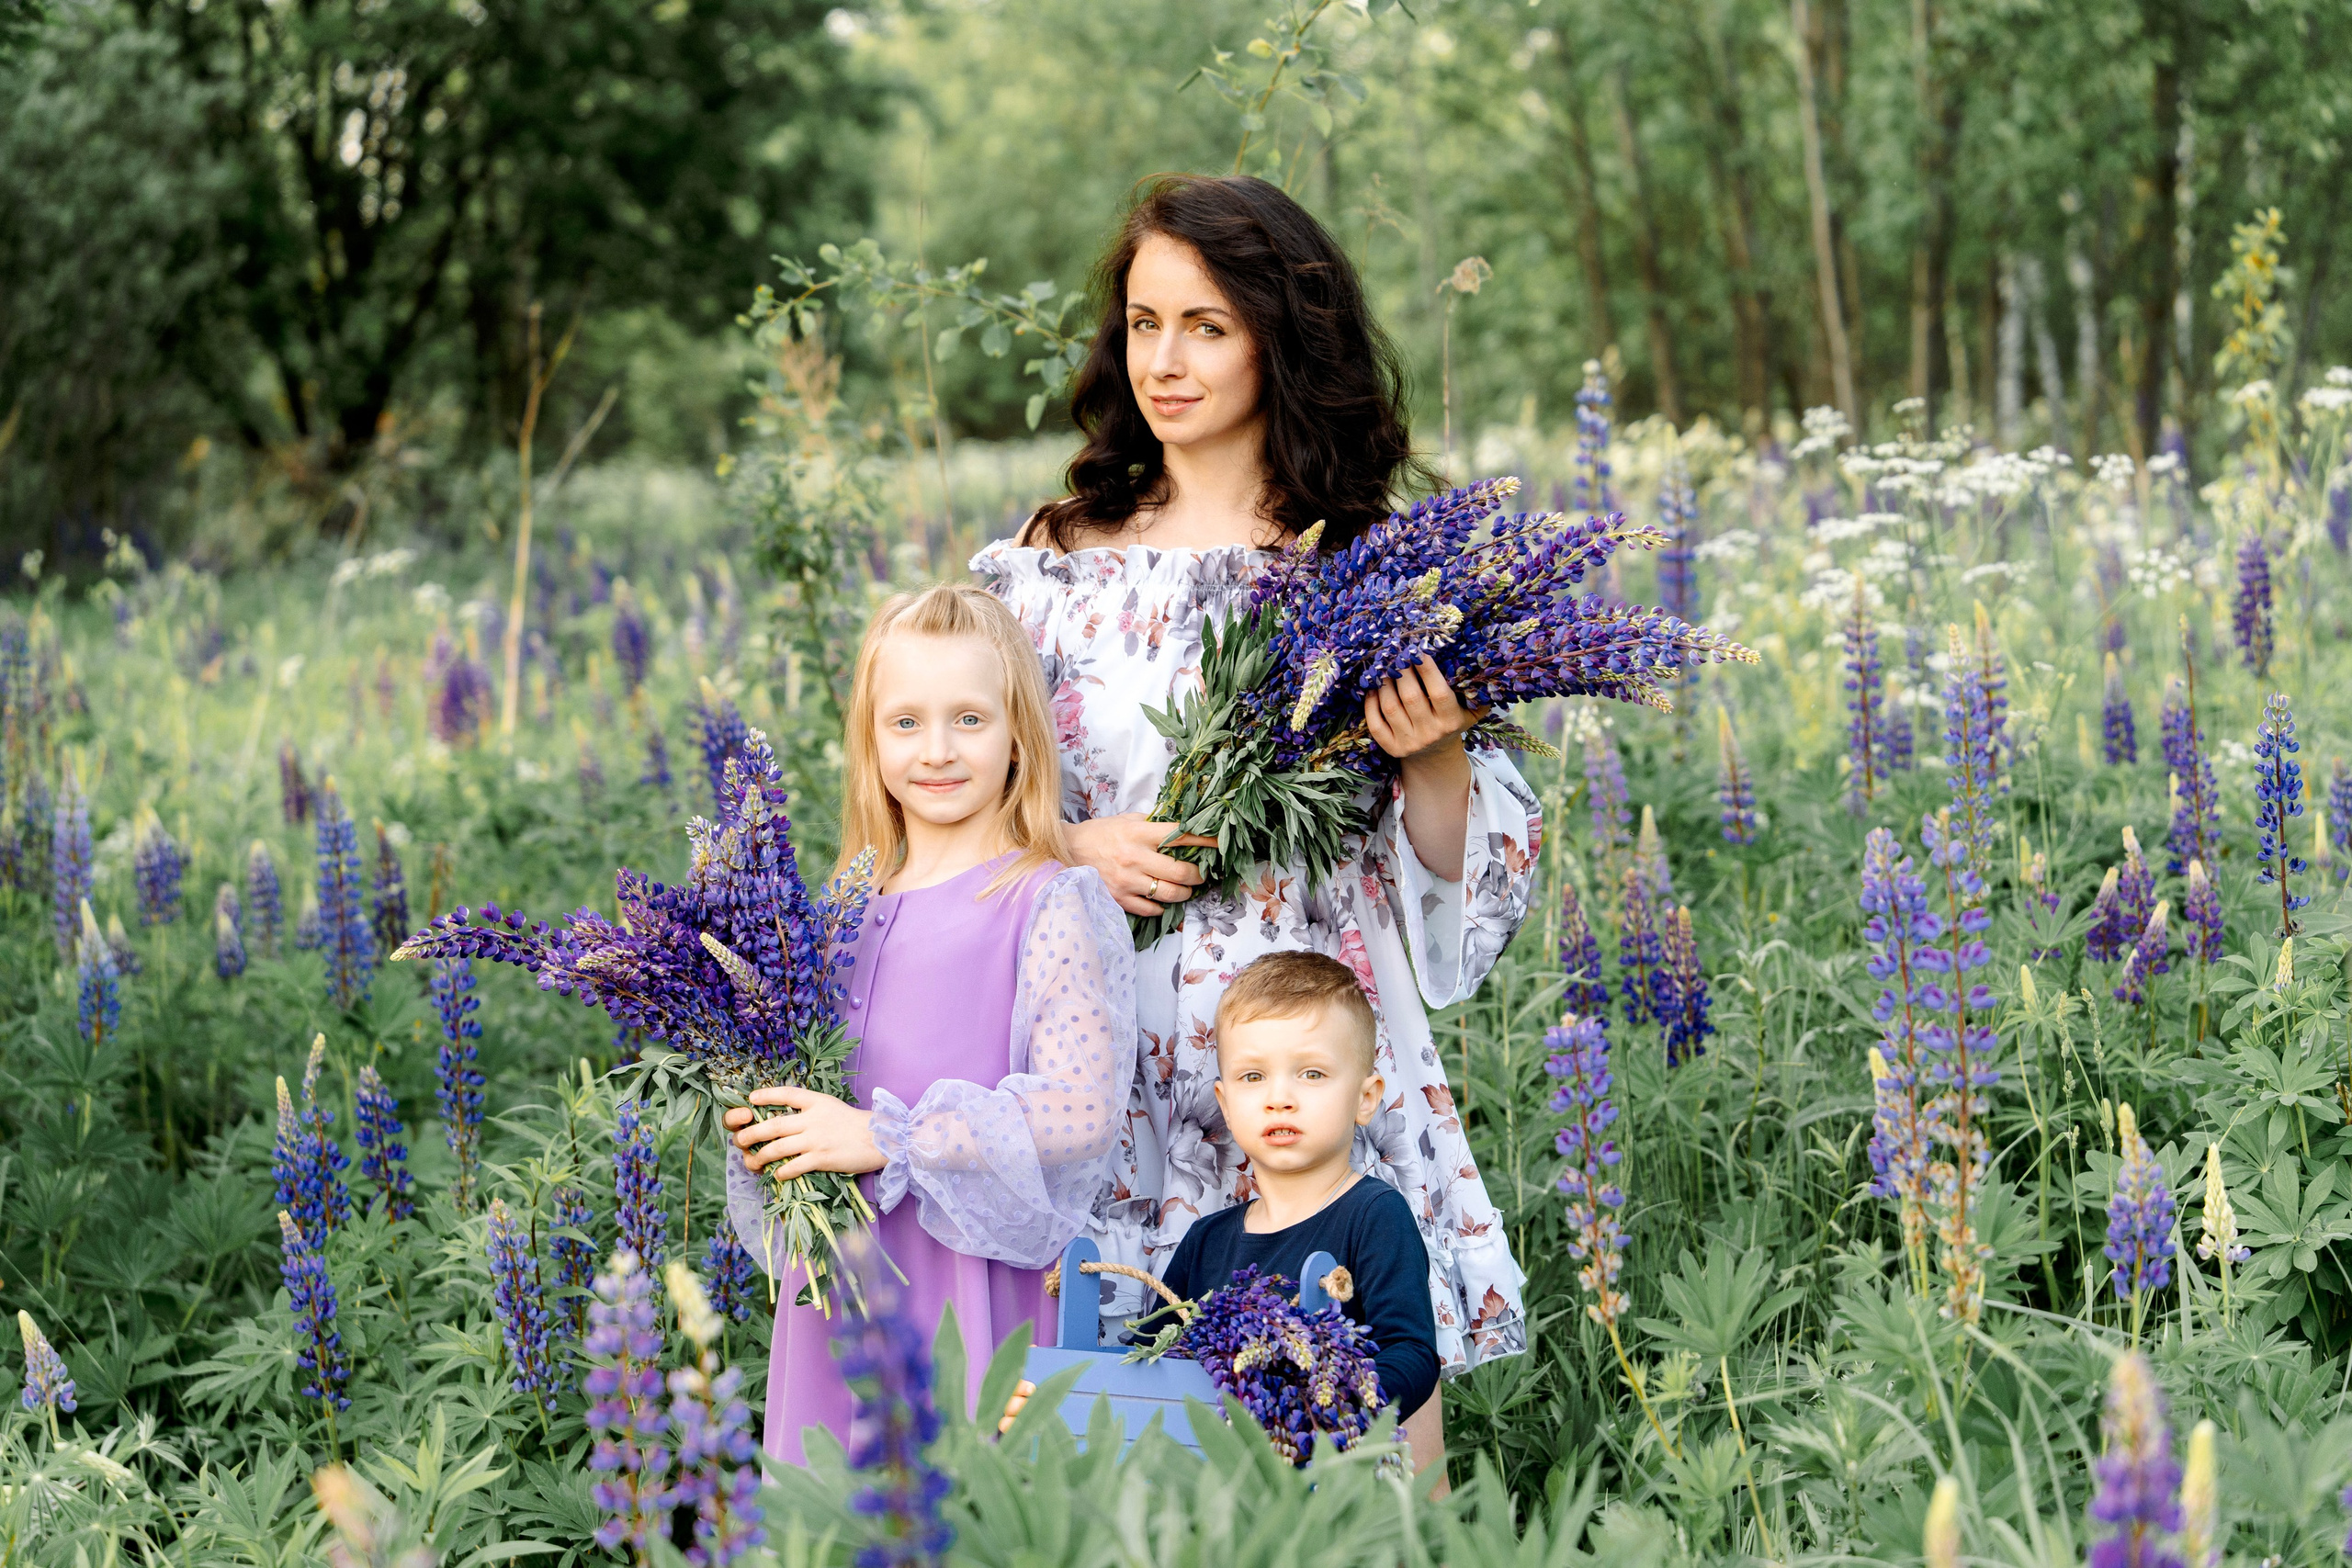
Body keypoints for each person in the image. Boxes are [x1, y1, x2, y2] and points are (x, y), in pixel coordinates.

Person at [972, 173, 1538, 1472]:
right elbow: (952, 795)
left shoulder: (1367, 563)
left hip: (1301, 1049)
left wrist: (1436, 751)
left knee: (1356, 1442)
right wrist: (1072, 847)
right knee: (1121, 1435)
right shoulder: (1053, 556)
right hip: (1104, 1040)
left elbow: (1467, 882)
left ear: (1282, 335)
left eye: (1207, 326)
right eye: (1142, 323)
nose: (1163, 362)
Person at [720, 582, 1135, 1464]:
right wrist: (766, 1123)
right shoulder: (831, 918)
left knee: (965, 1507)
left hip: (969, 1289)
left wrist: (890, 1137)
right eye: (905, 722)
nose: (937, 750)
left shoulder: (1049, 901)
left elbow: (1080, 1109)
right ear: (870, 742)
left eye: (970, 720)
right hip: (840, 1293)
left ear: (1019, 734)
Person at [1159, 952, 1439, 1422]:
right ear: (1225, 1106)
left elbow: (1410, 1352)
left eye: (1312, 1074)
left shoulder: (1374, 1215)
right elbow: (1153, 1357)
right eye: (1253, 1076)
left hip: (1330, 1473)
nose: (1279, 1099)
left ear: (1365, 1098)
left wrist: (1335, 1406)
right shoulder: (1204, 1242)